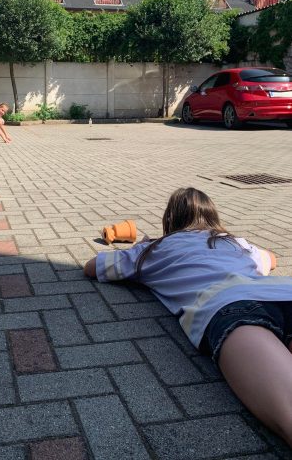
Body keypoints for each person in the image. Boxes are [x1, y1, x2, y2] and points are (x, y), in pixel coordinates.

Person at [84, 187, 292, 447]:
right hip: (283, 291)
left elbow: (92, 267)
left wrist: (141, 250)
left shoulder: (154, 250)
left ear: (170, 219)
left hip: (228, 305)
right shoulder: (235, 242)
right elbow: (271, 259)